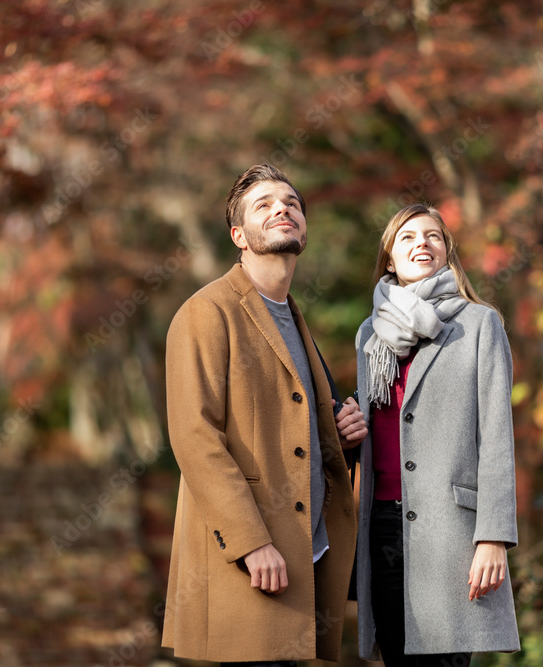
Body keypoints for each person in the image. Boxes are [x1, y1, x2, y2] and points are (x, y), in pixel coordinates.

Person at [161, 164, 368, 664]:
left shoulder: (295, 318)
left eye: (292, 203)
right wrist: (251, 544)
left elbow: (290, 436)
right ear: (239, 235)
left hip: (305, 560)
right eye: (265, 205)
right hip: (249, 561)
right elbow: (195, 438)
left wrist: (342, 438)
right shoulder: (206, 312)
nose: (283, 209)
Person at [354, 203, 520, 666]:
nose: (420, 244)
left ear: (446, 252)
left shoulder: (479, 324)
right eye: (406, 237)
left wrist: (493, 536)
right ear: (389, 259)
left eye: (432, 236)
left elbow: (497, 437)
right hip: (382, 526)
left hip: (451, 531)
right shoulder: (370, 334)